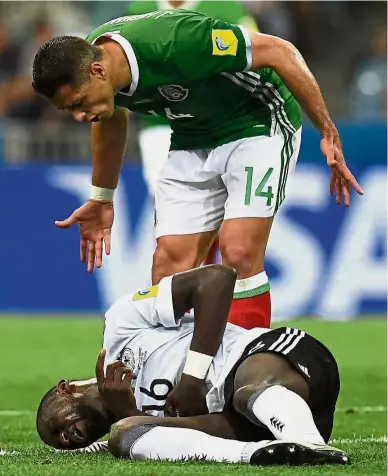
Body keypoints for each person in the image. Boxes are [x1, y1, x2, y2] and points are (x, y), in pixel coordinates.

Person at [32, 10, 363, 331]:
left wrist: (327, 131)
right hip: (192, 135)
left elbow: (279, 50)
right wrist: (102, 198)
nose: (78, 116)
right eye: (69, 109)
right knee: (168, 267)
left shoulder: (177, 42)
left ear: (99, 72)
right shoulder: (92, 64)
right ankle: (176, 378)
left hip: (256, 120)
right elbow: (110, 118)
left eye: (78, 103)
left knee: (239, 251)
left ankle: (246, 373)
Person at [36, 265, 349, 466]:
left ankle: (307, 441)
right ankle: (263, 455)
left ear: (66, 389)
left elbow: (217, 279)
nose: (64, 439)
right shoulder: (127, 424)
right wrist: (131, 414)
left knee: (244, 391)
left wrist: (193, 378)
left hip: (280, 361)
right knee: (126, 437)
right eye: (61, 444)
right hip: (259, 426)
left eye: (55, 428)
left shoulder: (121, 327)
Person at [126, 1, 259, 267]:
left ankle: (211, 281)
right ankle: (187, 283)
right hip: (161, 126)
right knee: (171, 206)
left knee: (226, 207)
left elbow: (255, 51)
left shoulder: (225, 8)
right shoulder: (139, 8)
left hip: (219, 122)